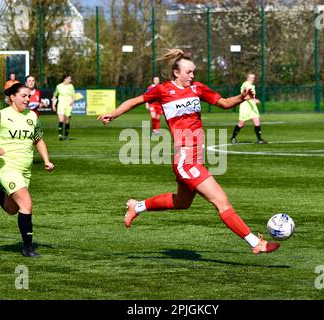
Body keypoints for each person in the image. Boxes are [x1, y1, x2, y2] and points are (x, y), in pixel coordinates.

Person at [98, 49, 280, 255]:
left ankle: (137, 206)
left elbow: (223, 103)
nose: (192, 76)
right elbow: (133, 101)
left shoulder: (197, 88)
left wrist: (241, 97)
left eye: (193, 72)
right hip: (186, 159)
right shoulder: (162, 90)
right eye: (188, 72)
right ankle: (256, 243)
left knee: (182, 203)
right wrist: (113, 114)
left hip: (196, 156)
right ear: (176, 73)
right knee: (221, 201)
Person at [0, 82, 55, 257]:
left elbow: (38, 140)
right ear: (12, 97)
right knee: (26, 204)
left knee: (11, 209)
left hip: (25, 170)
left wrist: (46, 160)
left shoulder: (32, 116)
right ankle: (28, 248)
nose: (27, 99)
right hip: (7, 167)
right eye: (23, 96)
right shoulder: (1, 115)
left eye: (28, 96)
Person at [230, 72, 267, 144]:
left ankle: (259, 139)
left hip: (252, 106)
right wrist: (254, 100)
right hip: (245, 106)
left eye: (253, 77)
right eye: (251, 77)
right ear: (247, 78)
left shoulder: (252, 85)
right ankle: (233, 138)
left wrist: (253, 100)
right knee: (241, 123)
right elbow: (247, 94)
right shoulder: (246, 84)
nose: (252, 79)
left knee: (257, 121)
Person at [52, 74, 75, 141]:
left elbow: (74, 95)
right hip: (61, 105)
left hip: (69, 106)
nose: (70, 80)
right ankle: (60, 135)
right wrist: (53, 105)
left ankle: (66, 136)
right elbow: (54, 96)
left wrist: (72, 101)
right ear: (65, 79)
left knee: (67, 121)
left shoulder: (71, 86)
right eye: (69, 79)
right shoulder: (59, 86)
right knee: (61, 120)